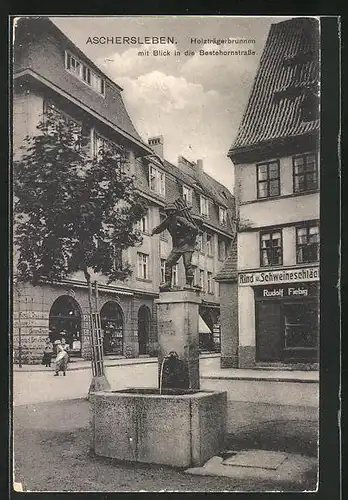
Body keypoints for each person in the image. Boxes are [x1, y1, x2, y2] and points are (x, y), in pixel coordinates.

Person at [151, 201, 200, 291]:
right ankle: (168, 283)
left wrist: (188, 239)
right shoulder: (168, 221)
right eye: (168, 211)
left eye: (171, 211)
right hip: (177, 246)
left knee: (187, 264)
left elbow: (193, 228)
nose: (170, 213)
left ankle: (189, 283)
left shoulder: (180, 219)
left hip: (187, 245)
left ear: (174, 211)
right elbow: (161, 227)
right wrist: (154, 231)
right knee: (169, 262)